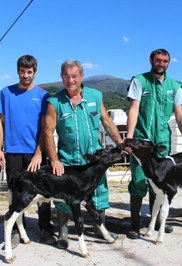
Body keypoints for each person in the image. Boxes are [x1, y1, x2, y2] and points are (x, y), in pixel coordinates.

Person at [44, 59, 123, 249]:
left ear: (81, 77)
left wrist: (121, 142)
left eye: (74, 76)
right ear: (61, 78)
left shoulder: (95, 96)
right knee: (65, 195)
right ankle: (63, 231)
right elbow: (47, 132)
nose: (70, 80)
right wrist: (54, 160)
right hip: (68, 159)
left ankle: (98, 227)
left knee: (99, 191)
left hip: (93, 159)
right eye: (66, 76)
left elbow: (106, 121)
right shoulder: (55, 102)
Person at [126, 48, 182, 239]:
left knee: (159, 183)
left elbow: (181, 117)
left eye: (165, 61)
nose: (161, 64)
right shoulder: (139, 81)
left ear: (169, 63)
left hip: (163, 142)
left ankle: (156, 221)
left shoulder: (175, 86)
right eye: (158, 60)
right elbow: (133, 109)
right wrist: (129, 138)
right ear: (151, 60)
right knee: (140, 180)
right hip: (141, 143)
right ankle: (134, 225)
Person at [0, 55, 54, 247]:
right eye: (22, 71)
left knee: (43, 194)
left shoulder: (43, 95)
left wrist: (39, 153)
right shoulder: (6, 93)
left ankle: (45, 228)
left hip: (35, 153)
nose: (26, 75)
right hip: (12, 152)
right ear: (17, 71)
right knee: (15, 194)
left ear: (35, 72)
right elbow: (0, 124)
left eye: (29, 72)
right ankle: (16, 230)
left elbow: (45, 128)